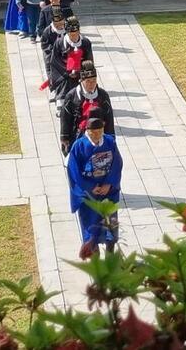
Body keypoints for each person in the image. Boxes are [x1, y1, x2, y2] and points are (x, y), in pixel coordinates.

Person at [67, 117, 122, 259]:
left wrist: (109, 183)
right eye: (94, 132)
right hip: (88, 193)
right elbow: (74, 171)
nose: (97, 135)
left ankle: (110, 255)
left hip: (107, 192)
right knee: (91, 226)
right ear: (88, 131)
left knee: (110, 224)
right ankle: (94, 256)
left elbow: (117, 164)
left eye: (100, 132)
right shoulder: (79, 146)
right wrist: (90, 187)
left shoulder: (110, 142)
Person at [61, 62, 115, 156]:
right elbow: (65, 119)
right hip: (78, 137)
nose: (91, 84)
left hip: (99, 136)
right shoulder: (72, 96)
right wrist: (65, 138)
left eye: (94, 80)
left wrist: (111, 138)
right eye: (88, 81)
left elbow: (109, 118)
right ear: (81, 81)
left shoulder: (103, 95)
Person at [50, 17, 94, 109]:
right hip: (64, 71)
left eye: (75, 34)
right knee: (64, 82)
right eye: (71, 35)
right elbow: (55, 61)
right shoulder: (59, 43)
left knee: (87, 82)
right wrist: (68, 72)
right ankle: (60, 103)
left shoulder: (85, 42)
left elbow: (88, 60)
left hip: (80, 71)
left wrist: (79, 71)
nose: (74, 37)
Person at [39, 8, 67, 99]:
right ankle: (55, 91)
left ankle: (65, 91)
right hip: (51, 57)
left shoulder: (68, 29)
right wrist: (55, 52)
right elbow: (45, 45)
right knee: (52, 74)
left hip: (65, 56)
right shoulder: (48, 31)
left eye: (61, 22)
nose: (59, 25)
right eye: (56, 23)